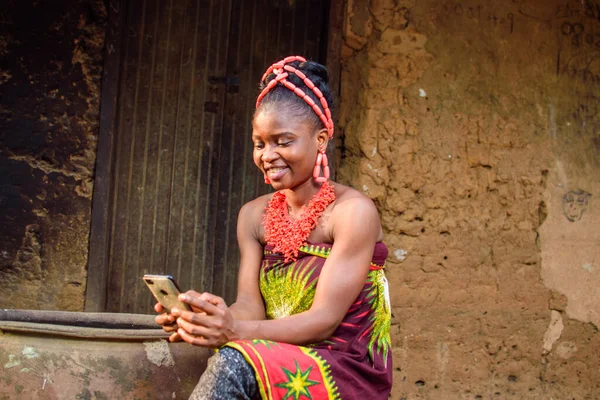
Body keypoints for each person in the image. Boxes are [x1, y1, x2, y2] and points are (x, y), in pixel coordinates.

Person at [155, 56, 392, 399]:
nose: (268, 155)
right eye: (260, 143)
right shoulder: (253, 216)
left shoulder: (353, 213)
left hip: (342, 367)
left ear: (321, 139)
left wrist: (234, 331)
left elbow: (324, 319)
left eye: (283, 141)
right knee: (205, 355)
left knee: (233, 360)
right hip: (280, 357)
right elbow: (250, 306)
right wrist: (207, 320)